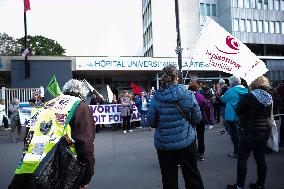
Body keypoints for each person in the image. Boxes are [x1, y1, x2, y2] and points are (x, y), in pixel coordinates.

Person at [8, 79, 95, 189]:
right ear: (82, 94)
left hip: (25, 171)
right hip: (55, 172)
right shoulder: (80, 106)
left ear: (65, 90)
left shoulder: (44, 106)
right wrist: (85, 178)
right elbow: (85, 145)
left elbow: (28, 138)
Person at [147, 65, 204, 189]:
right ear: (177, 77)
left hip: (164, 144)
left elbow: (151, 122)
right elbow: (197, 119)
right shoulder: (188, 94)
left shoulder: (156, 97)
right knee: (192, 176)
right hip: (186, 141)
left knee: (169, 180)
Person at [227, 76, 272, 189]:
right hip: (264, 131)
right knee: (260, 158)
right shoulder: (269, 97)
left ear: (255, 83)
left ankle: (239, 186)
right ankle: (260, 184)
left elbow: (238, 110)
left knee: (242, 158)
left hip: (249, 131)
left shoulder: (250, 95)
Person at [221, 76, 248, 158]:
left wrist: (222, 96)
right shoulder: (245, 90)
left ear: (231, 82)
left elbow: (223, 99)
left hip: (232, 115)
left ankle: (237, 152)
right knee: (242, 134)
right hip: (243, 115)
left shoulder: (232, 90)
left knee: (234, 135)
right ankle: (245, 151)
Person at [188, 82, 206, 161]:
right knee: (201, 136)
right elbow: (205, 106)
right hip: (201, 117)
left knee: (192, 136)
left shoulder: (188, 97)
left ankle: (194, 152)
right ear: (197, 88)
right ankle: (201, 153)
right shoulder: (201, 96)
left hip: (191, 118)